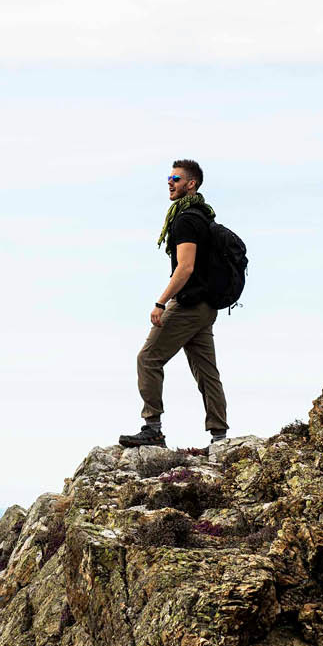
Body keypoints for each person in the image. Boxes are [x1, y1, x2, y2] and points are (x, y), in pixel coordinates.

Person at [119, 159, 229, 449]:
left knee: (148, 358)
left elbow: (185, 267)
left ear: (191, 184)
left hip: (189, 305)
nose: (170, 182)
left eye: (176, 178)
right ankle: (220, 438)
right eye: (169, 178)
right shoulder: (204, 216)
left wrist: (161, 302)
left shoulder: (186, 219)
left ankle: (152, 428)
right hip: (207, 307)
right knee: (207, 372)